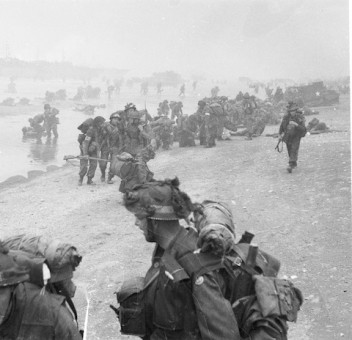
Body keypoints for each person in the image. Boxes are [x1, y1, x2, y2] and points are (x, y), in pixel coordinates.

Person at [117, 178, 301, 340]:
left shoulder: (197, 267)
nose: (136, 223)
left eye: (139, 217)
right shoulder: (167, 249)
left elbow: (222, 334)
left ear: (155, 219)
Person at [279, 101, 307, 173]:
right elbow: (282, 126)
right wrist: (280, 135)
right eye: (291, 111)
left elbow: (304, 129)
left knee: (294, 149)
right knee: (289, 149)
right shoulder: (286, 117)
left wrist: (296, 124)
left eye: (294, 111)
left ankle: (291, 164)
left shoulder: (299, 117)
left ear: (296, 110)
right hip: (288, 136)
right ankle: (293, 163)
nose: (292, 112)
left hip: (297, 135)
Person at [78, 116, 105, 185]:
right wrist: (85, 154)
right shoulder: (91, 130)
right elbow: (86, 142)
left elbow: (99, 141)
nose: (103, 124)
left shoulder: (101, 130)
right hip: (85, 149)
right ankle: (80, 179)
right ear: (98, 123)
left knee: (94, 165)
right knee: (84, 165)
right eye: (101, 123)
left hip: (94, 150)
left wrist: (97, 151)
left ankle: (89, 180)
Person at [99, 112, 122, 183]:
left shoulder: (120, 128)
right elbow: (100, 137)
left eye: (117, 119)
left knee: (113, 165)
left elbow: (121, 138)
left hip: (115, 147)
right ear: (111, 119)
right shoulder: (105, 126)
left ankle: (109, 177)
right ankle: (103, 174)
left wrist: (120, 148)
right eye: (114, 119)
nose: (116, 121)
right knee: (103, 164)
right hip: (105, 147)